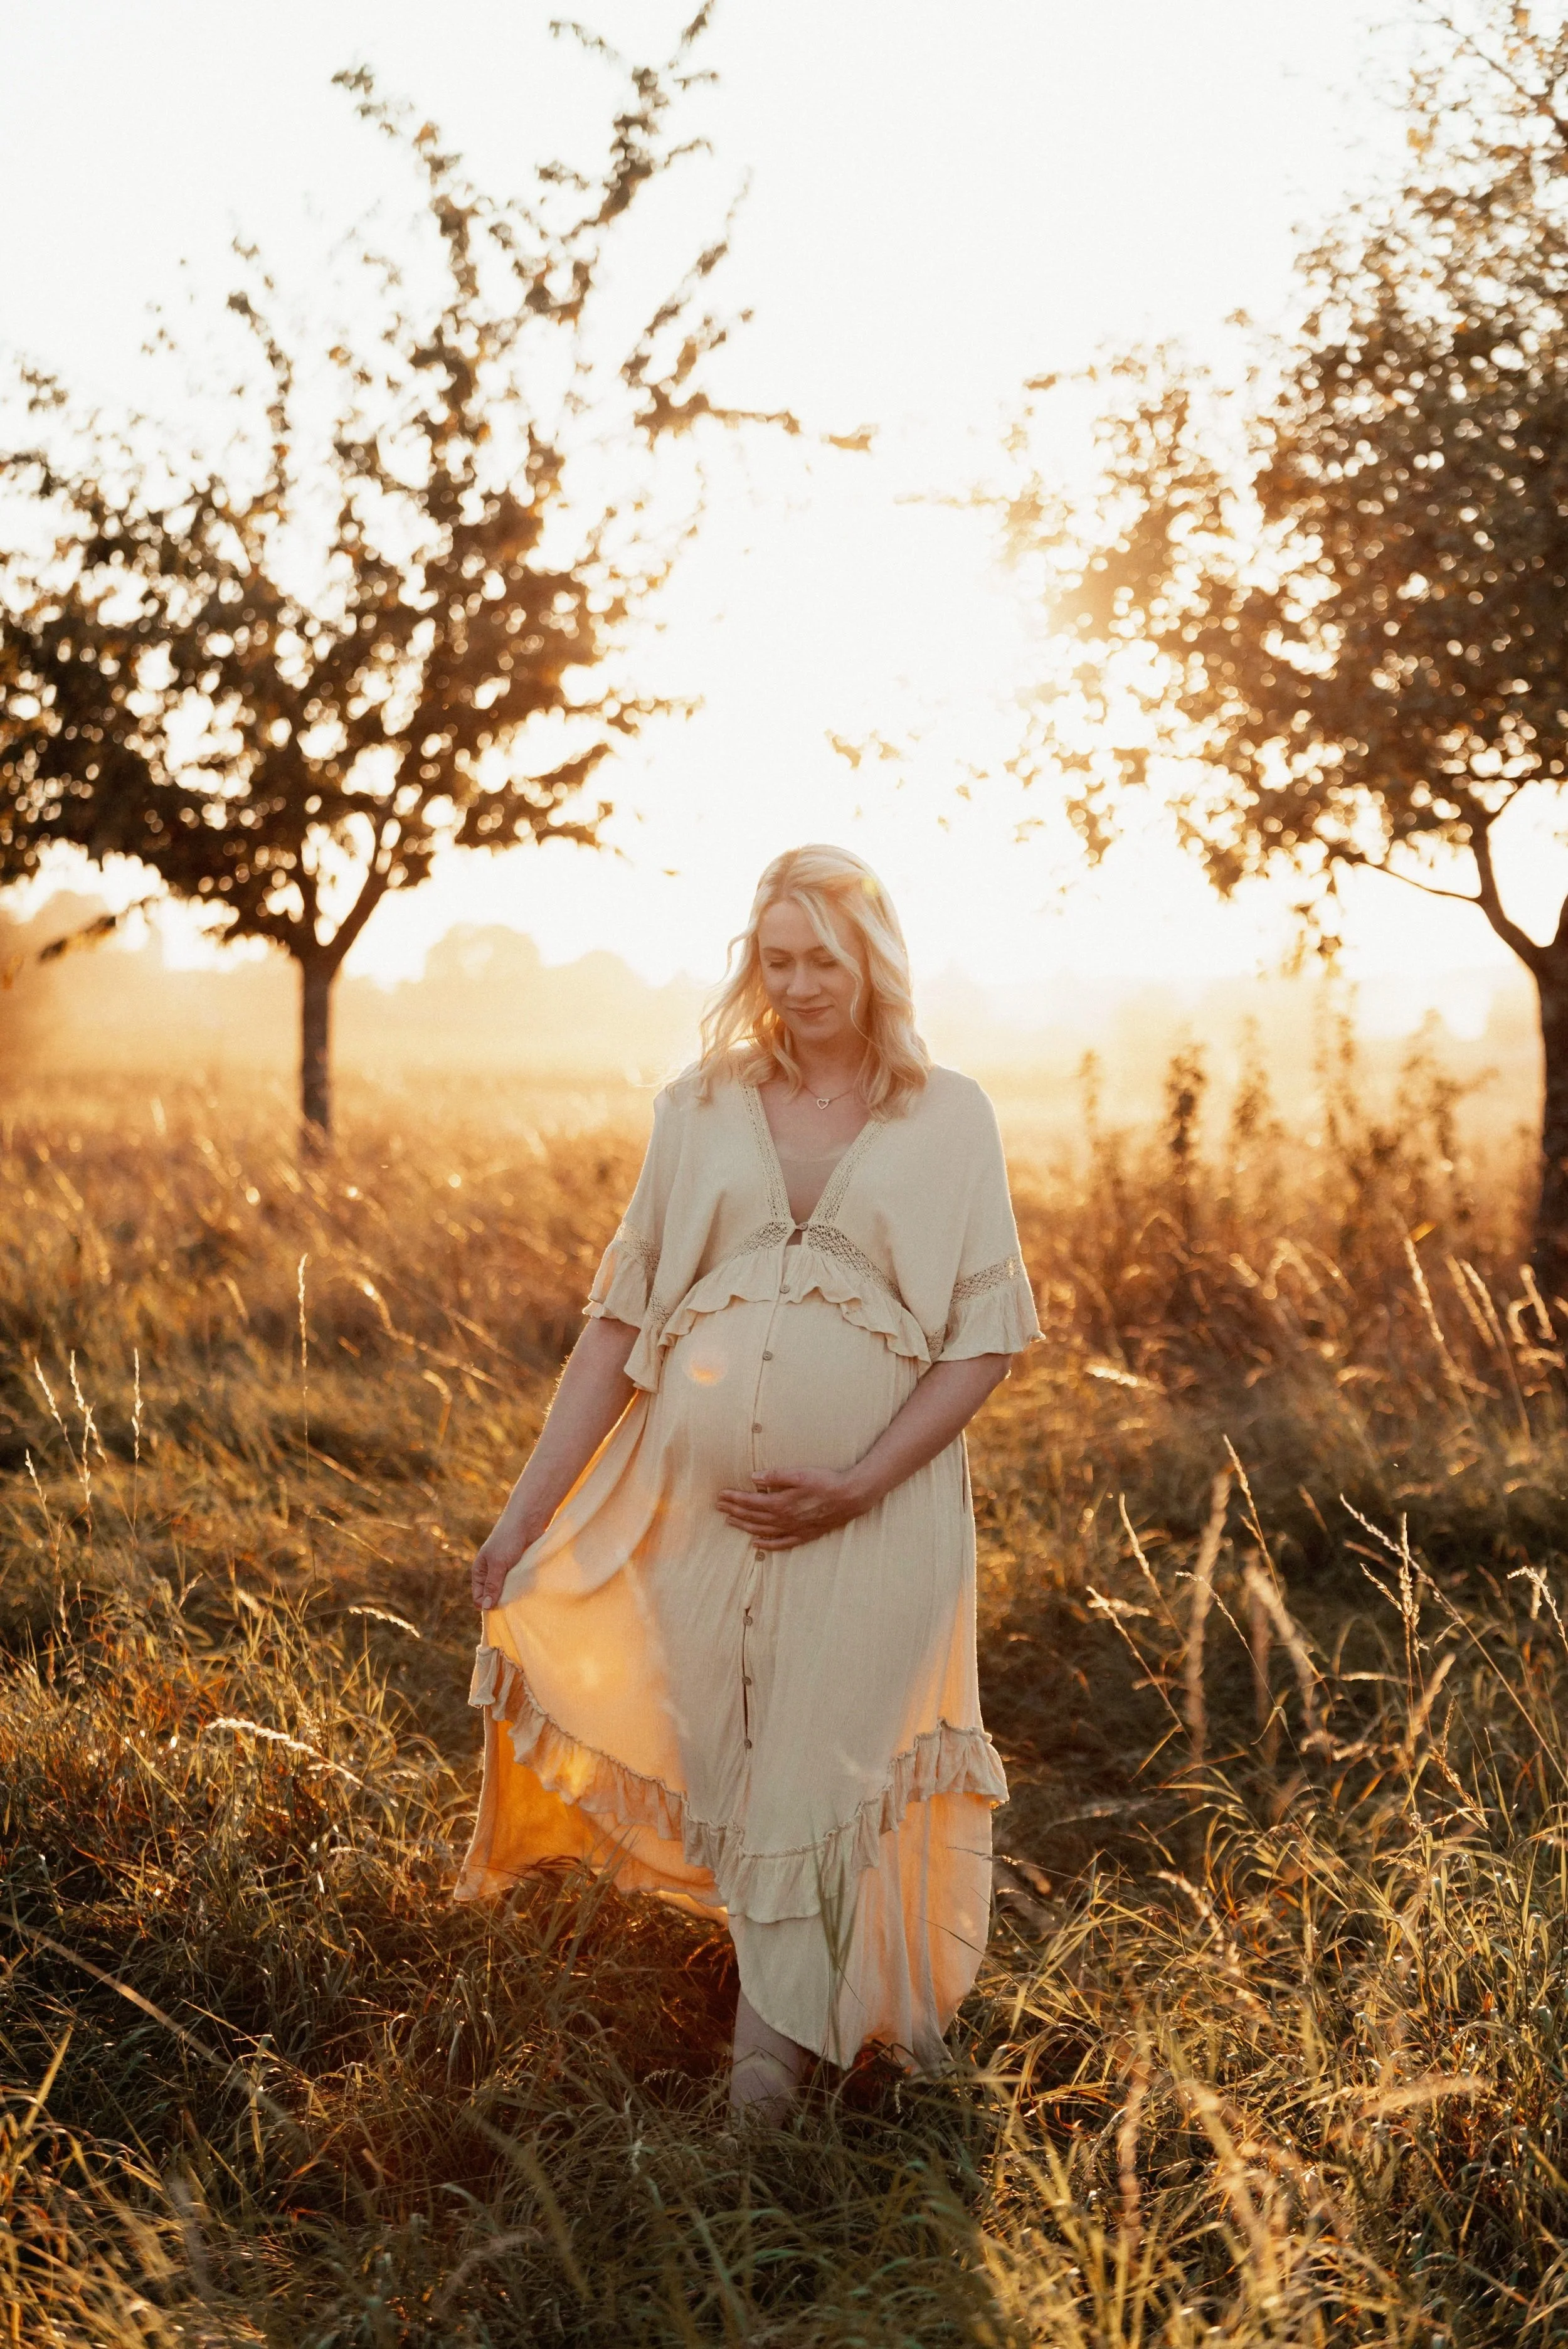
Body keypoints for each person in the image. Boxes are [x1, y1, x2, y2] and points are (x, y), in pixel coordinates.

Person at [457, 844, 1041, 2119]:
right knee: (737, 1776)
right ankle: (820, 2041)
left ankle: (757, 2119)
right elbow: (618, 1329)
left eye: (823, 958)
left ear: (874, 959)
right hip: (700, 1523)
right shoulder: (698, 1106)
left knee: (813, 1786)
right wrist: (520, 1520)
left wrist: (856, 1482)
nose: (800, 983)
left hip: (879, 1518)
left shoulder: (952, 1115)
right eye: (776, 959)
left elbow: (983, 1343)